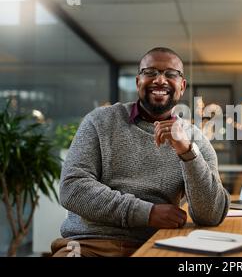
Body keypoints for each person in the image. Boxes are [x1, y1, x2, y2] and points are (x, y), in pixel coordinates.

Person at [51, 47, 230, 257]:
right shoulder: (100, 121)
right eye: (150, 72)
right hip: (90, 245)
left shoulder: (194, 139)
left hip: (158, 246)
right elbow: (72, 189)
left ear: (182, 87)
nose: (160, 80)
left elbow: (211, 214)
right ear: (138, 83)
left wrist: (187, 152)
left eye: (170, 74)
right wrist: (147, 213)